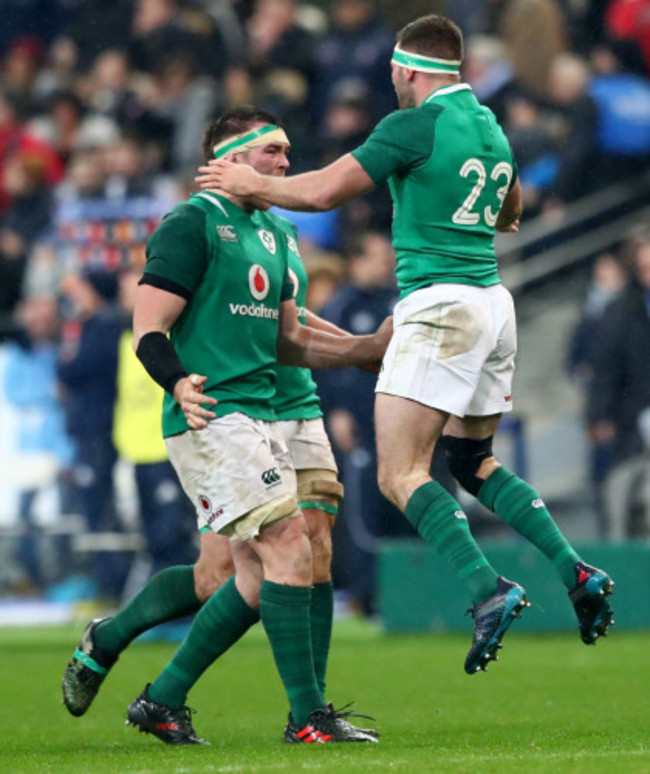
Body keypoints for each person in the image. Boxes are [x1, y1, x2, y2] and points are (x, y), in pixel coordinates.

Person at [201, 14, 615, 675]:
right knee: (472, 461)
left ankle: (488, 589)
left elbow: (325, 191)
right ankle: (577, 571)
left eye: (394, 69)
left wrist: (256, 186)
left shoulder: (413, 124)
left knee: (400, 474)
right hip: (492, 301)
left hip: (439, 302)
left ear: (407, 68)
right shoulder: (489, 125)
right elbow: (510, 210)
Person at [62, 106, 388, 745]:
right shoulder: (191, 223)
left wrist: (362, 350)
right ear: (232, 158)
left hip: (269, 407)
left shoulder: (277, 231)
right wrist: (178, 381)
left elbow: (290, 335)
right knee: (275, 553)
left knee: (263, 568)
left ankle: (164, 696)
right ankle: (306, 717)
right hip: (215, 412)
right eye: (274, 151)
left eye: (288, 151)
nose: (286, 162)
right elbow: (148, 327)